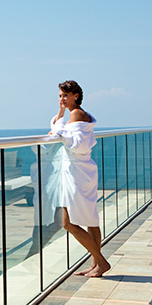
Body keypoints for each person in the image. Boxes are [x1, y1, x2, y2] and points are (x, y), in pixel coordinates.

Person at [48, 80, 108, 277]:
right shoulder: (76, 114)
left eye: (66, 95)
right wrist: (60, 115)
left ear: (76, 95)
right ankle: (96, 264)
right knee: (91, 220)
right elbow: (68, 133)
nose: (62, 99)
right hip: (83, 170)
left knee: (67, 223)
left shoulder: (76, 114)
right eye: (60, 95)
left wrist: (59, 128)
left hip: (77, 173)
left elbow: (76, 143)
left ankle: (101, 261)